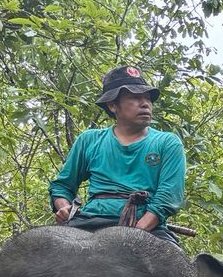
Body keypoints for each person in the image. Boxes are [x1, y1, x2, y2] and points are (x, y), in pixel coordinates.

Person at [49, 65, 185, 243]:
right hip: (89, 222)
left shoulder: (167, 143)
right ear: (112, 105)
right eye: (134, 98)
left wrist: (136, 232)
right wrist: (64, 207)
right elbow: (63, 186)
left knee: (178, 269)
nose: (145, 104)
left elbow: (168, 197)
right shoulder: (89, 140)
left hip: (147, 227)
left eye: (147, 98)